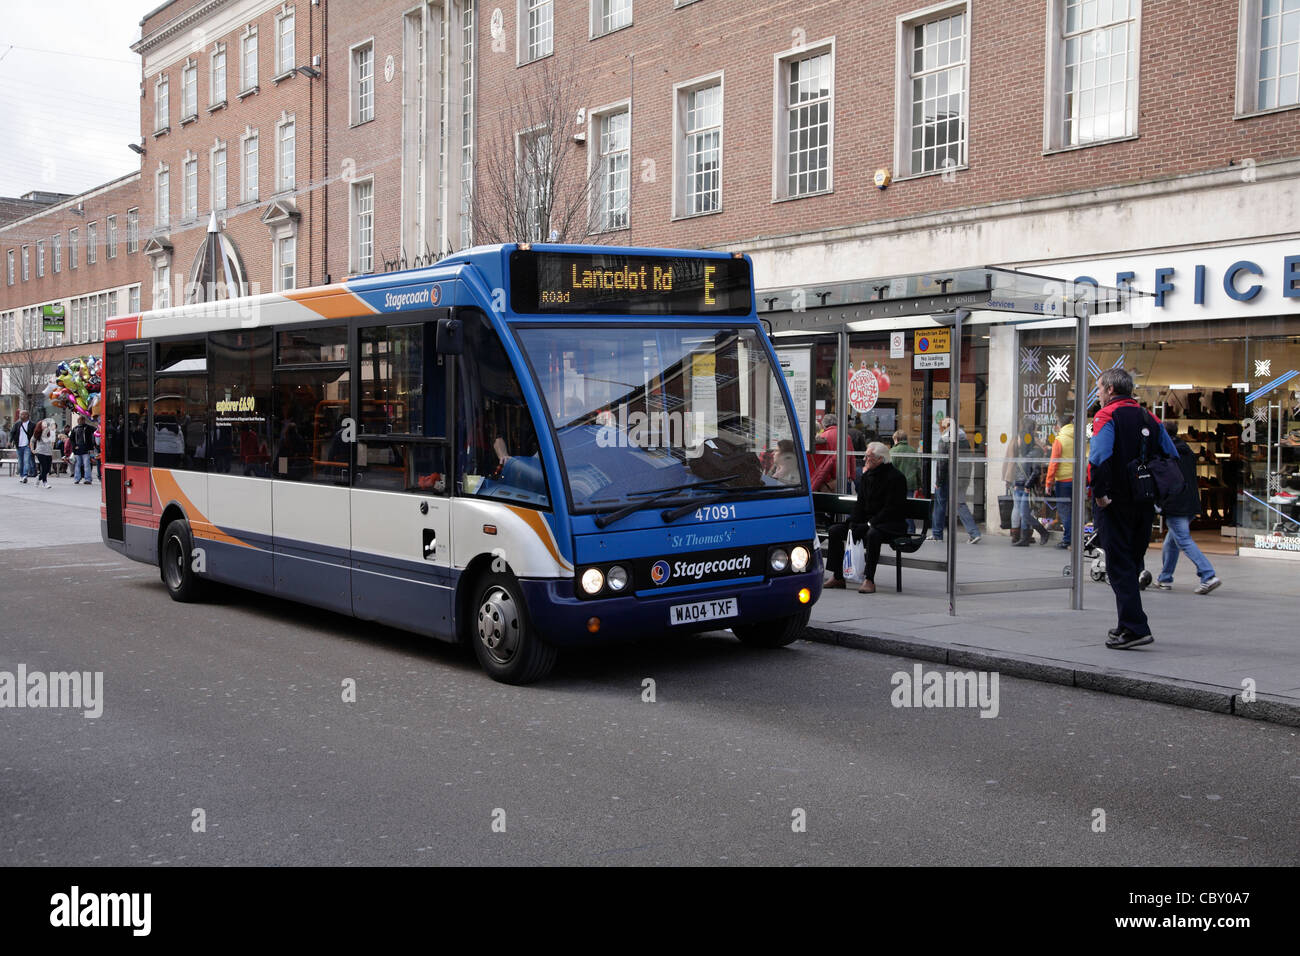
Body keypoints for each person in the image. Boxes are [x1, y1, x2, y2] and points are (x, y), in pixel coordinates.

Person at [1088, 368, 1179, 649]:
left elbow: (1099, 457)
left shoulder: (1106, 416)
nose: (1099, 393)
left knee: (1119, 565)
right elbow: (1170, 453)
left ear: (1111, 390)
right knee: (1132, 561)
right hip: (1144, 500)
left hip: (1115, 502)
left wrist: (1100, 494)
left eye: (1100, 388)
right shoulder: (1148, 416)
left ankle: (1136, 627)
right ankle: (1125, 623)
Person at [823, 441, 909, 594]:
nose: (864, 459)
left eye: (868, 457)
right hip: (868, 521)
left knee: (873, 534)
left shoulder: (896, 478)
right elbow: (860, 502)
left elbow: (892, 509)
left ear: (880, 459)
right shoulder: (867, 476)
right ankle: (838, 576)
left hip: (890, 523)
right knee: (835, 531)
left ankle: (869, 579)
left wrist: (869, 524)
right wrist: (853, 522)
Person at [1154, 421, 1222, 595]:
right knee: (1171, 541)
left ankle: (1208, 575)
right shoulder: (1186, 450)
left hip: (1176, 503)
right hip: (1190, 501)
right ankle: (1165, 578)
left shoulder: (1166, 452)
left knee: (1182, 539)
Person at [932, 417, 981, 543]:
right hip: (961, 478)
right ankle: (974, 532)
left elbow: (942, 463)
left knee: (939, 503)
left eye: (941, 426)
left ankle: (937, 534)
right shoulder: (964, 440)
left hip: (947, 477)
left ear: (945, 427)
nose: (940, 428)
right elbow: (968, 461)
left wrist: (938, 482)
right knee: (960, 504)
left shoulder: (944, 440)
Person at [1007, 429, 1051, 546]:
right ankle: (1024, 538)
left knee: (1025, 514)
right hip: (1020, 486)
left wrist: (1027, 485)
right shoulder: (1021, 452)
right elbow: (1017, 469)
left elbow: (1036, 471)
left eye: (1020, 438)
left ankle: (1043, 532)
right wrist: (1015, 483)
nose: (1019, 441)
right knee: (1024, 513)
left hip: (1028, 488)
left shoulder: (1034, 452)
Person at [1044, 412, 1077, 549]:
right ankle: (1075, 537)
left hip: (1063, 480)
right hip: (1077, 479)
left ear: (1059, 426)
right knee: (1075, 510)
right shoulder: (1078, 437)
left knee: (1065, 511)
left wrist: (1048, 482)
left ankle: (1068, 539)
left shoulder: (1060, 439)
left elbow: (1054, 463)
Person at [891, 429, 922, 532]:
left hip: (896, 484)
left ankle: (900, 528)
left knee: (896, 507)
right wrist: (919, 484)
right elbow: (918, 468)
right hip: (910, 483)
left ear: (897, 439)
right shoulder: (913, 450)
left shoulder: (892, 451)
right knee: (907, 506)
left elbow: (890, 469)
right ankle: (911, 529)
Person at [10, 410, 36, 483]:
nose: (21, 416)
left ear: (27, 415)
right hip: (19, 446)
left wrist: (32, 444)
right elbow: (12, 433)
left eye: (22, 415)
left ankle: (25, 475)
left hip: (28, 446)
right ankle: (21, 475)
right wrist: (10, 441)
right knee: (20, 462)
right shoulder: (17, 424)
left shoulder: (32, 425)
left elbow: (35, 435)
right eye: (20, 415)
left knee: (26, 461)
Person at [70, 415, 96, 485]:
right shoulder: (75, 429)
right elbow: (71, 439)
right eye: (79, 420)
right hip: (79, 450)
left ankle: (85, 479)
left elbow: (96, 430)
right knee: (81, 465)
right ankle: (79, 478)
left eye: (81, 420)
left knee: (84, 465)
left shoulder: (88, 427)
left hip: (85, 449)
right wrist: (74, 446)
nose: (80, 421)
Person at [32, 417, 56, 489]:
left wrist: (52, 449)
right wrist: (32, 449)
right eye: (43, 425)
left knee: (48, 468)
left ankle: (38, 478)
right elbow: (32, 441)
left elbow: (52, 442)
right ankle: (45, 483)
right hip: (40, 452)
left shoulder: (50, 432)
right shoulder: (37, 433)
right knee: (44, 467)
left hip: (48, 452)